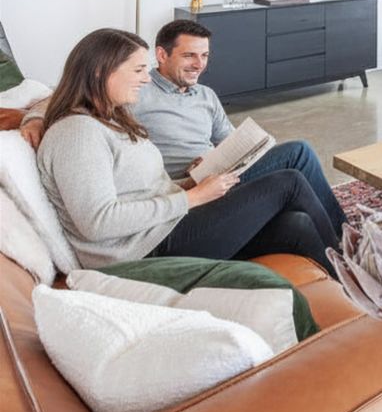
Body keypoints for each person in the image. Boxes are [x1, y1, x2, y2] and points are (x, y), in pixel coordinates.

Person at [37, 28, 339, 275]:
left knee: (297, 224)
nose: (146, 77)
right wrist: (193, 197)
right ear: (100, 72)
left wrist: (190, 185)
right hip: (143, 251)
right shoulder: (77, 133)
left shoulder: (111, 118)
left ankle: (351, 289)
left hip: (165, 226)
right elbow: (98, 223)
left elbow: (143, 189)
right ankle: (352, 261)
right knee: (288, 183)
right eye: (139, 70)